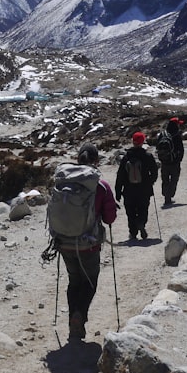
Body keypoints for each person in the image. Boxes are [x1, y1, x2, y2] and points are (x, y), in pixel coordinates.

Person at [60, 142, 117, 343]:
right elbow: (110, 218)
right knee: (90, 281)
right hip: (89, 244)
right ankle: (79, 315)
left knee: (74, 281)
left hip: (64, 242)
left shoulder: (64, 181)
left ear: (78, 159)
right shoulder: (101, 186)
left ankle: (72, 321)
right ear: (96, 161)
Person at [115, 131, 159, 241]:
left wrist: (118, 191)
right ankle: (141, 223)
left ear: (133, 142)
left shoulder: (126, 157)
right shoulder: (147, 156)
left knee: (130, 212)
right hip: (144, 189)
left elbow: (120, 175)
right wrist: (150, 182)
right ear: (142, 141)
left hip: (128, 190)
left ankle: (133, 232)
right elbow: (154, 172)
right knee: (143, 209)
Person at [157, 117, 185, 206]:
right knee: (174, 180)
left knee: (165, 180)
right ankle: (170, 195)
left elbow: (157, 146)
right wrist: (179, 159)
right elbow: (181, 149)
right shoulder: (177, 135)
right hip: (174, 162)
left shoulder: (163, 134)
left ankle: (166, 196)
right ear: (176, 124)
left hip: (164, 161)